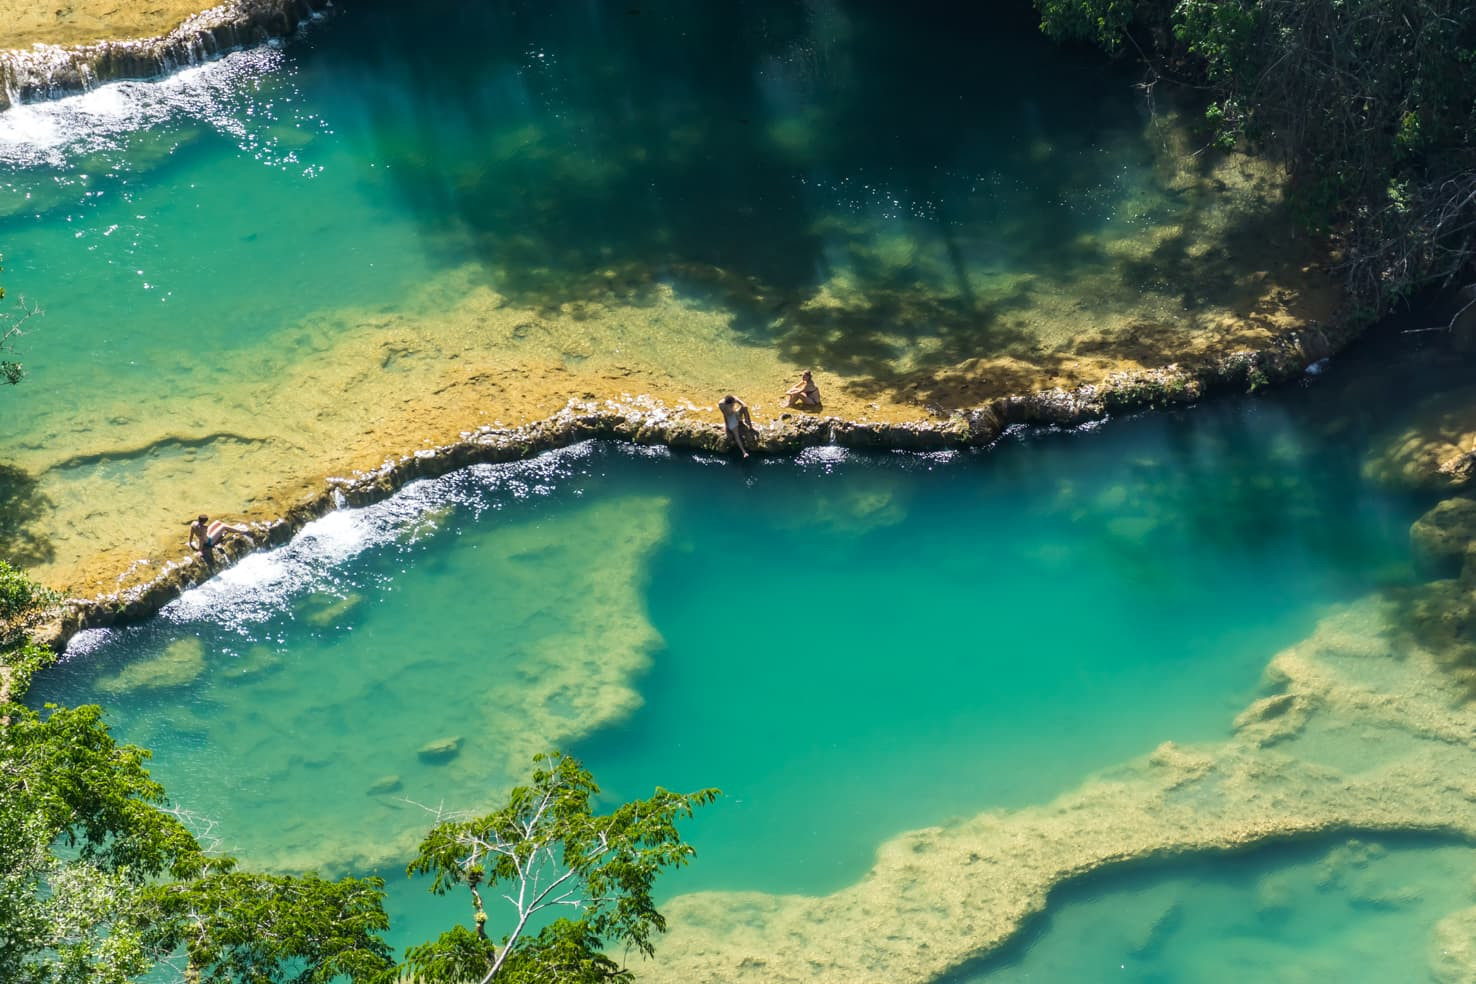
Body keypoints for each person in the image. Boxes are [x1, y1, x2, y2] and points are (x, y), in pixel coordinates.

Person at [188, 514, 253, 565]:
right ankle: (242, 531)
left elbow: (191, 534)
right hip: (209, 541)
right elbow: (201, 539)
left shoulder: (193, 524)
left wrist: (190, 542)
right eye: (205, 521)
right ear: (203, 521)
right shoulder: (203, 529)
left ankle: (231, 529)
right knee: (223, 526)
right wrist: (200, 550)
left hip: (206, 536)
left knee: (217, 522)